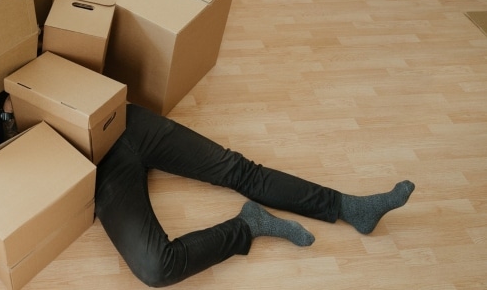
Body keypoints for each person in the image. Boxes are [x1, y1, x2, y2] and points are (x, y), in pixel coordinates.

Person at [94, 103, 415, 287]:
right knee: (156, 267)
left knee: (238, 170)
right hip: (92, 165)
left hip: (117, 118)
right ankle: (248, 225)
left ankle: (350, 207)